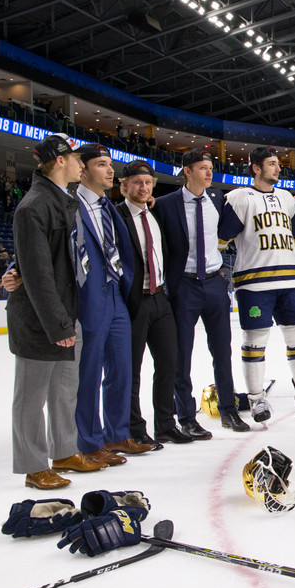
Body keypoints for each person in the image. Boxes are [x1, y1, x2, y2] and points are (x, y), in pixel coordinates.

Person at [8, 134, 105, 489]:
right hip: (41, 320)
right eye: (77, 158)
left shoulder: (64, 202)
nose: (83, 164)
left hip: (66, 311)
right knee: (31, 395)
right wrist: (58, 324)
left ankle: (64, 450)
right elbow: (37, 274)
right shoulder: (33, 206)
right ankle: (34, 465)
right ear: (60, 160)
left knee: (65, 389)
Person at [219, 147, 295, 422]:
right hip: (254, 281)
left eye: (278, 164)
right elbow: (222, 239)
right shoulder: (240, 197)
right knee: (255, 341)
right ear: (256, 168)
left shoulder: (287, 198)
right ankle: (256, 399)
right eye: (272, 164)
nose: (278, 169)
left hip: (289, 278)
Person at [73, 144, 154, 465]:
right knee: (89, 372)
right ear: (83, 169)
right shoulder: (70, 204)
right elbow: (47, 244)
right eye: (102, 165)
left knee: (122, 367)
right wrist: (17, 271)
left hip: (116, 294)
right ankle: (89, 442)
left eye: (110, 164)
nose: (110, 171)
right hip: (88, 297)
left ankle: (117, 433)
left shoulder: (107, 206)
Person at [155, 148, 245, 437]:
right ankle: (186, 416)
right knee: (181, 354)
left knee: (222, 350)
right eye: (202, 167)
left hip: (215, 283)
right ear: (187, 171)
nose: (209, 172)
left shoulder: (219, 199)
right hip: (184, 285)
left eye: (210, 167)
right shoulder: (166, 204)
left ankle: (228, 410)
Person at [115, 160, 191, 448]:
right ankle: (135, 428)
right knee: (131, 371)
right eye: (136, 182)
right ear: (124, 186)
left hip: (161, 299)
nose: (143, 187)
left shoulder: (157, 214)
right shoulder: (116, 216)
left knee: (168, 366)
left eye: (147, 183)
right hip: (134, 304)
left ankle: (166, 425)